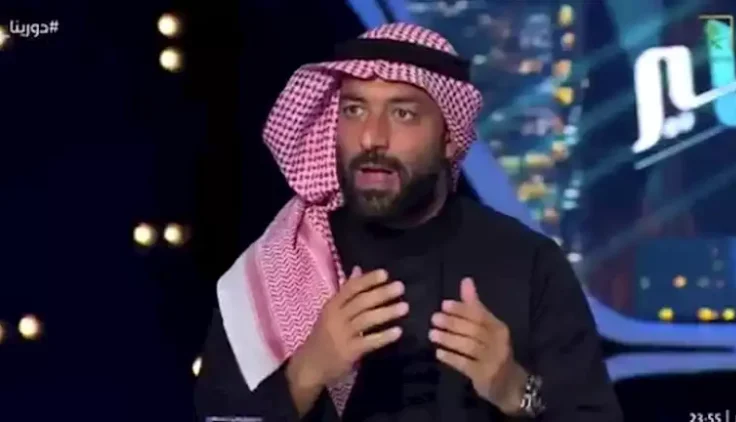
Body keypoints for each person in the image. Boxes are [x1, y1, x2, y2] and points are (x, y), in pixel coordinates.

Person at [194, 22, 622, 421]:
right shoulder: (277, 267)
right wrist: (308, 371)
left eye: (403, 114)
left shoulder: (528, 264)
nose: (371, 138)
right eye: (354, 110)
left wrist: (514, 389)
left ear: (449, 137)